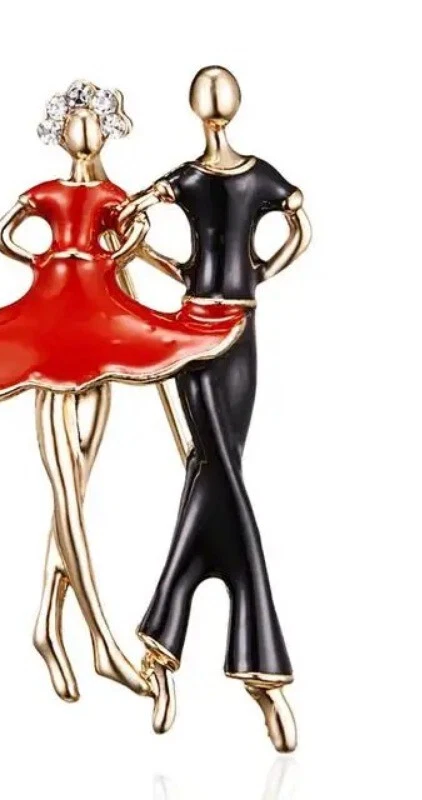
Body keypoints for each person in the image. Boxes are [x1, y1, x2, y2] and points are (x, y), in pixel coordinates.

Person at [0, 81, 247, 723]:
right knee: (65, 483)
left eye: (91, 122)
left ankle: (48, 622)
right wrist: (47, 260)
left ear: (105, 131)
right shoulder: (50, 192)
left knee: (75, 481)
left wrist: (130, 270)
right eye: (74, 123)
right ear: (62, 132)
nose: (83, 133)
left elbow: (130, 253)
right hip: (48, 320)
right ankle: (101, 638)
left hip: (102, 322)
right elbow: (4, 234)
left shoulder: (115, 198)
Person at [119, 66, 312, 751]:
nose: (215, 111)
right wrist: (173, 266)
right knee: (220, 468)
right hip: (193, 331)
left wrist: (261, 273)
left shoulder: (256, 175)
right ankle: (263, 667)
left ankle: (162, 639)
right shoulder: (188, 178)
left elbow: (300, 225)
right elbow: (130, 220)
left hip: (239, 330)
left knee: (214, 469)